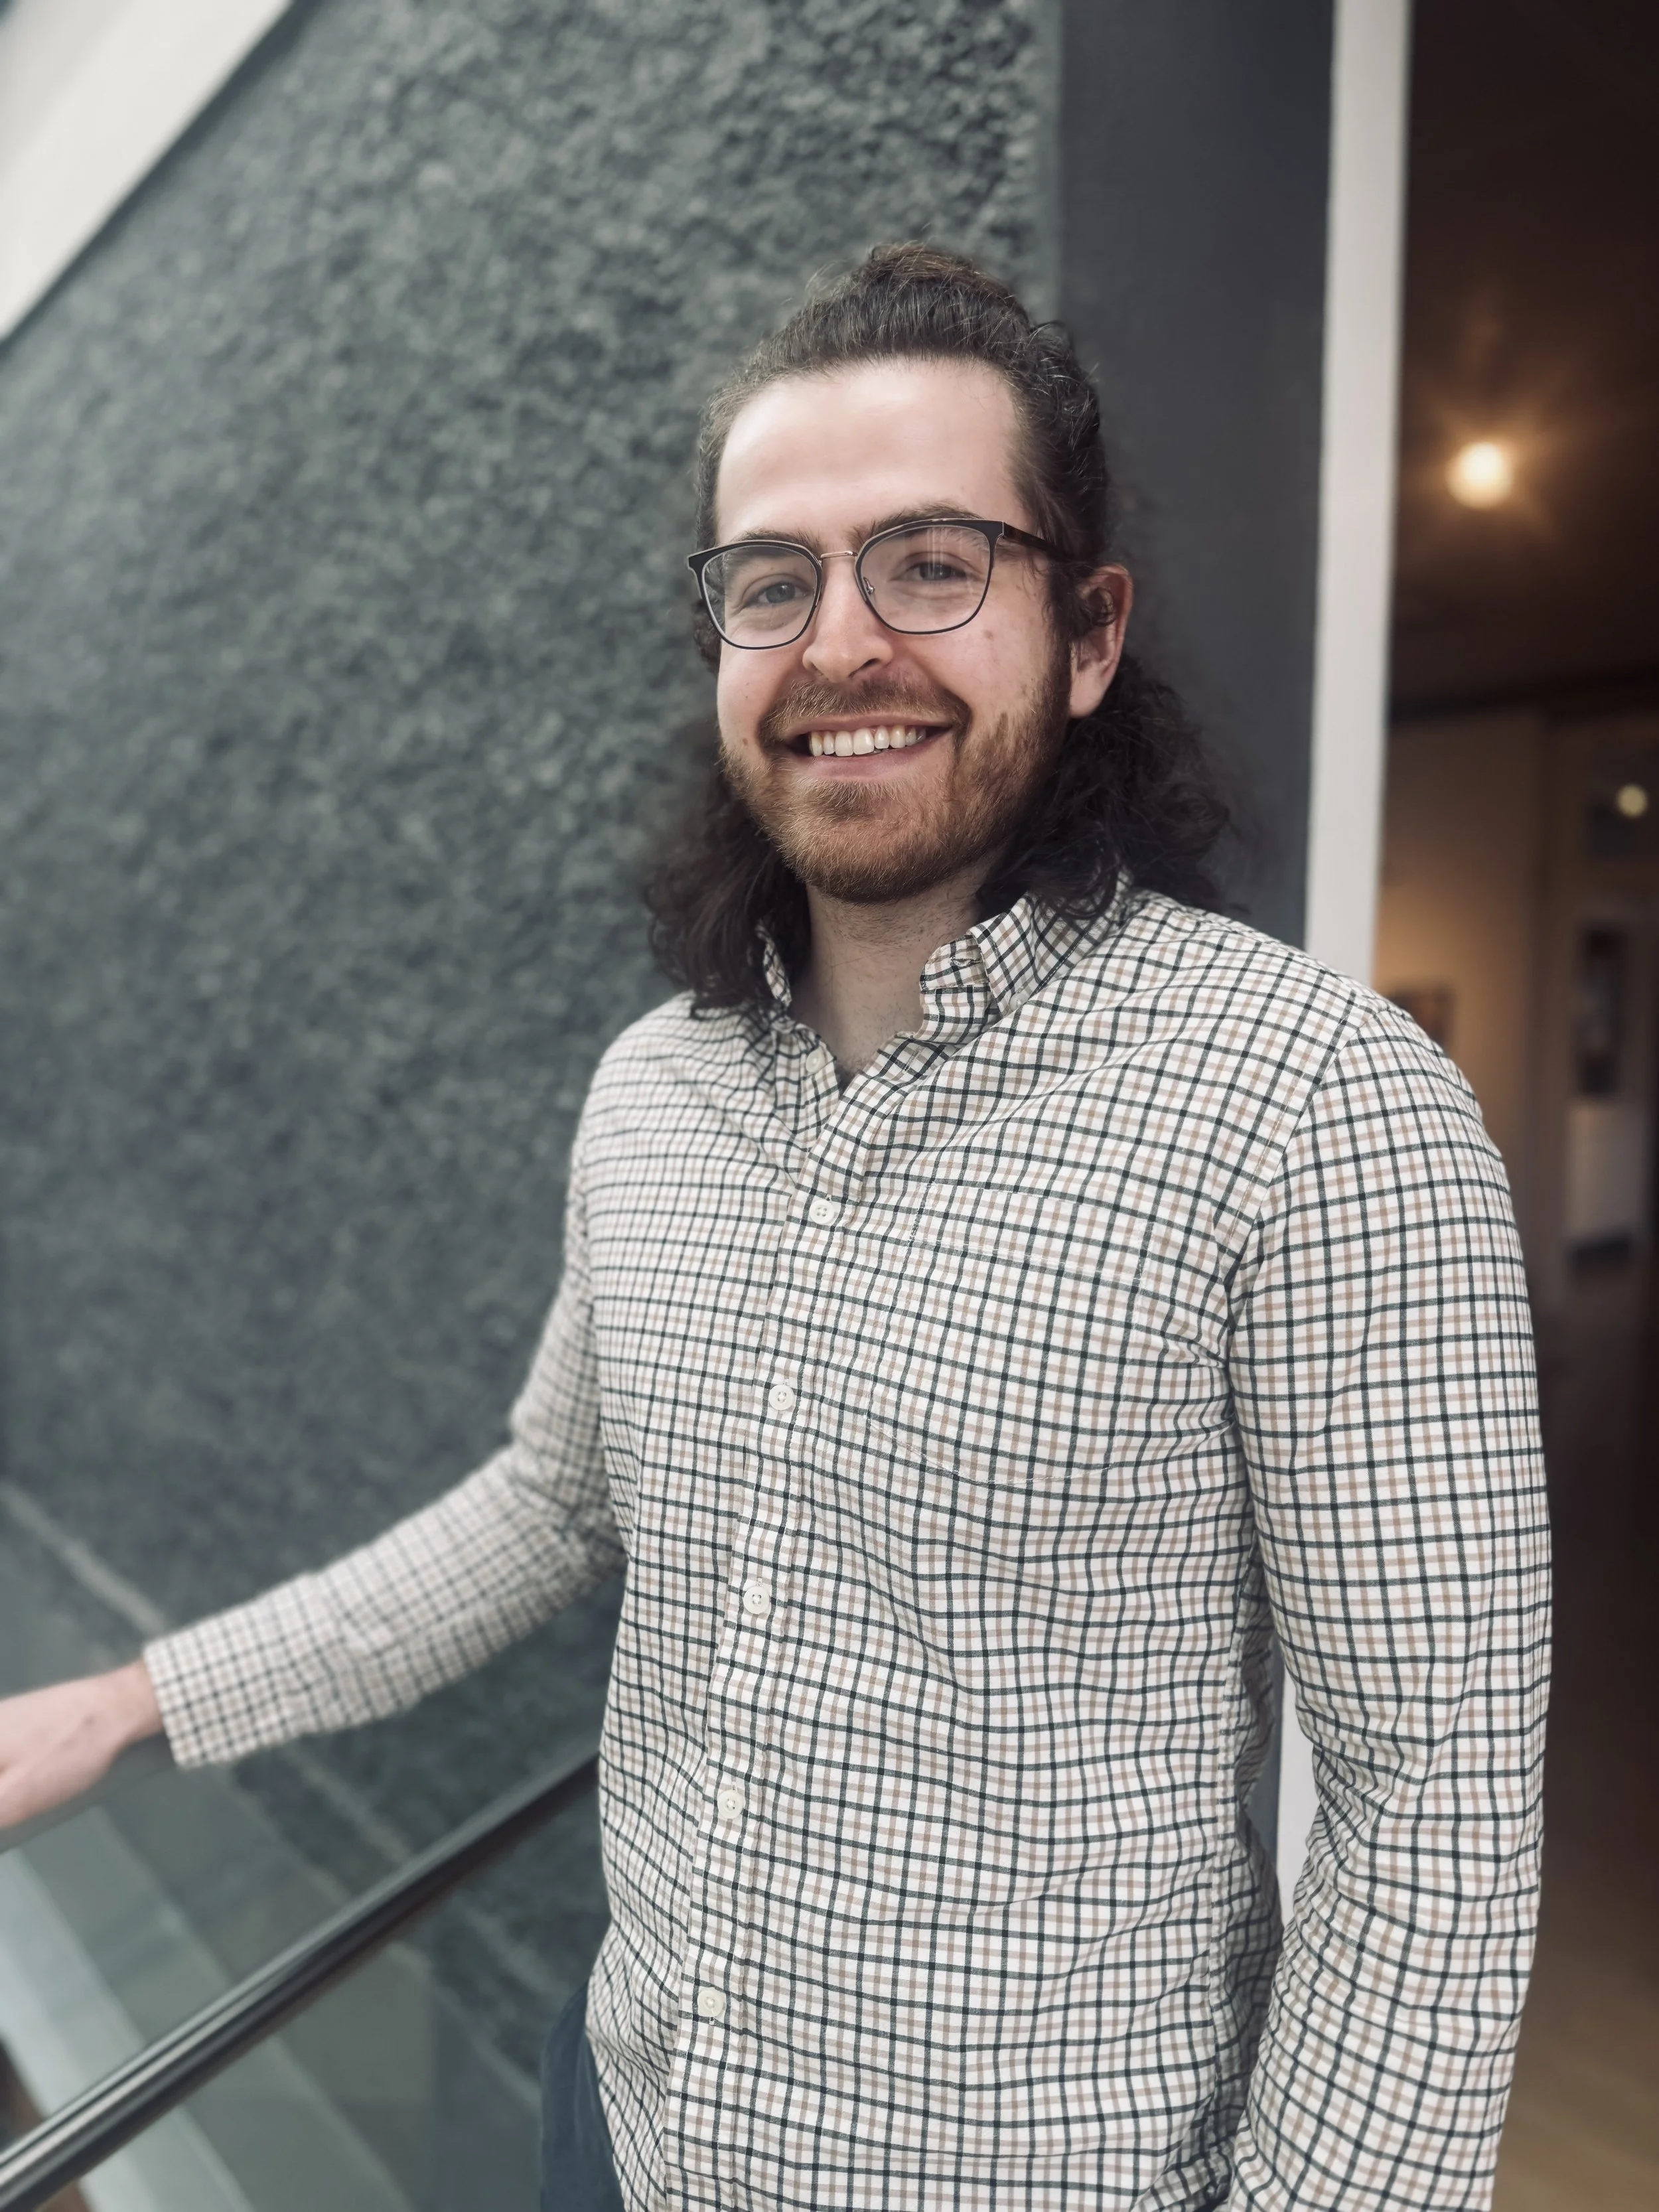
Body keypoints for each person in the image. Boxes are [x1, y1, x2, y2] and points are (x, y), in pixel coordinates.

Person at [0, 245, 1550, 2211]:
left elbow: (1433, 1804)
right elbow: (550, 1505)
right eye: (773, 580)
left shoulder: (1315, 1102)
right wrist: (132, 1702)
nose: (842, 644)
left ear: (1086, 634)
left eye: (932, 562)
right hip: (625, 2123)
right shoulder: (654, 1089)